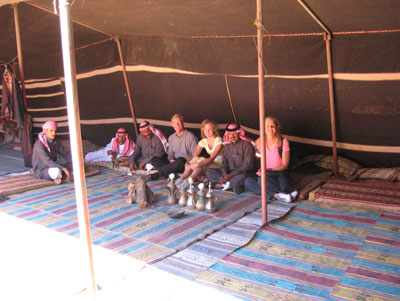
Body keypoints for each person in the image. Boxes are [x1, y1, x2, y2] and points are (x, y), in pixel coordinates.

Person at [244, 116, 297, 202]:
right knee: (248, 182)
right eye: (267, 126)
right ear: (264, 128)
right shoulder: (260, 141)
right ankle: (277, 195)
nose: (270, 128)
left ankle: (287, 191)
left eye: (272, 126)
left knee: (262, 181)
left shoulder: (283, 142)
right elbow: (259, 158)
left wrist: (268, 171)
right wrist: (261, 170)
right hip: (267, 174)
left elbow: (285, 165)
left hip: (280, 174)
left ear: (276, 128)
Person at [206, 123, 255, 194]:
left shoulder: (247, 145)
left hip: (243, 173)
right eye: (230, 134)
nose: (232, 136)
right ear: (227, 135)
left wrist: (230, 176)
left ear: (239, 133)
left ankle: (219, 185)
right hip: (229, 174)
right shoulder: (226, 147)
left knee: (243, 177)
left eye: (235, 133)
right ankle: (230, 185)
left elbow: (247, 166)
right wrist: (224, 173)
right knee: (210, 172)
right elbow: (224, 164)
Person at [148, 114, 198, 181]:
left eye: (179, 123)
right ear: (172, 124)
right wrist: (171, 161)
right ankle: (170, 172)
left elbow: (195, 155)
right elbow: (170, 154)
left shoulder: (190, 136)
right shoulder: (171, 137)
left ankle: (156, 175)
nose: (177, 125)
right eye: (175, 123)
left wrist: (181, 162)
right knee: (154, 159)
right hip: (174, 163)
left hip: (185, 163)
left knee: (180, 160)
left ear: (183, 123)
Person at [176, 119, 223, 184]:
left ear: (214, 130)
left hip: (219, 166)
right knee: (196, 159)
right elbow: (194, 155)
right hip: (210, 164)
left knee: (200, 161)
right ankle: (182, 179)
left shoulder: (219, 140)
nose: (207, 131)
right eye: (205, 129)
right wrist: (186, 163)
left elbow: (212, 159)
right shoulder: (203, 141)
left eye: (210, 129)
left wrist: (197, 164)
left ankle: (188, 181)